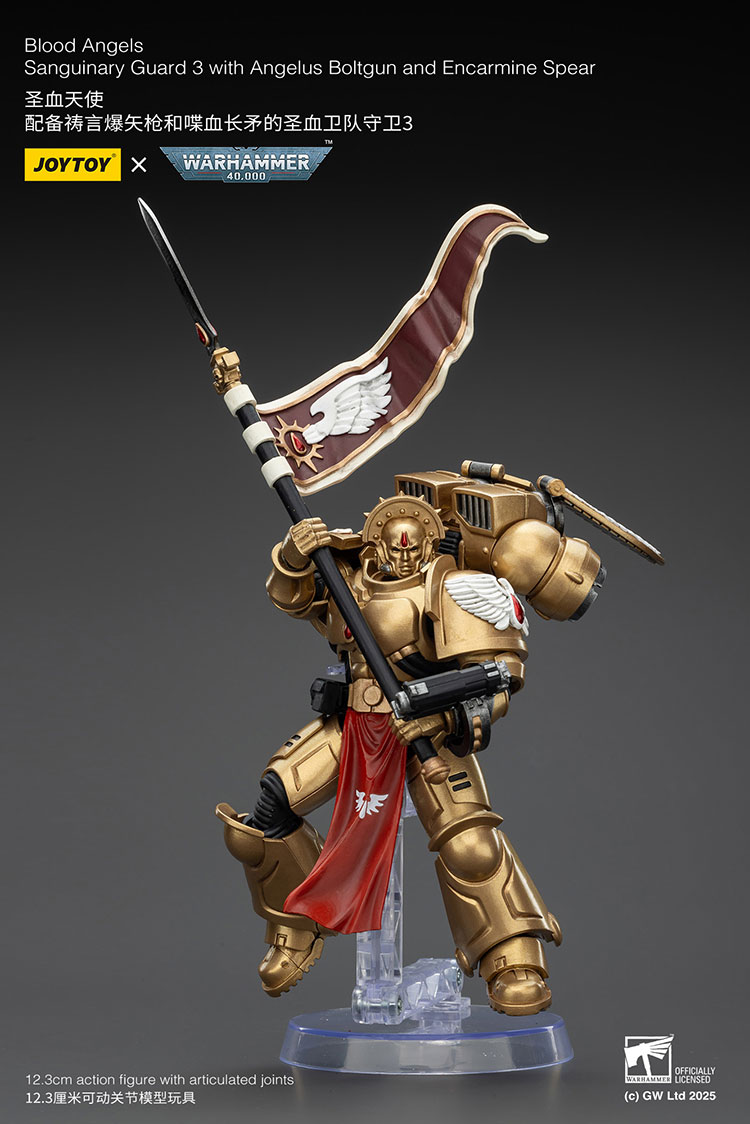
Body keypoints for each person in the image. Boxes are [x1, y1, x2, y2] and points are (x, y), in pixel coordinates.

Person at [217, 477, 604, 1016]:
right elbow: (293, 597)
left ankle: (512, 956)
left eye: (412, 548)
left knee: (471, 846)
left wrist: (442, 715)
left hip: (430, 735)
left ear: (430, 542)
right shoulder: (349, 574)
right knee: (268, 809)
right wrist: (293, 557)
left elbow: (498, 681)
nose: (401, 557)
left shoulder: (455, 587)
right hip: (356, 725)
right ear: (375, 540)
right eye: (392, 548)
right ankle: (296, 925)